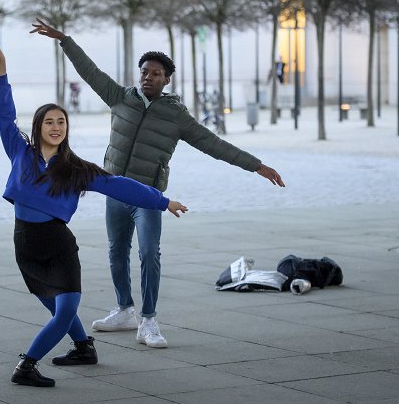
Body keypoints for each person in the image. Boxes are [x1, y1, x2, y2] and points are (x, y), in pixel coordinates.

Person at [31, 19, 285, 348]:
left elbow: (213, 144)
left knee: (149, 253)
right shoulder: (120, 97)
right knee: (116, 253)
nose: (147, 78)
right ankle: (125, 310)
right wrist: (65, 40)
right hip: (114, 190)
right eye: (144, 72)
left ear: (166, 79)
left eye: (155, 74)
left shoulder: (176, 116)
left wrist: (257, 166)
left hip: (148, 196)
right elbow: (89, 71)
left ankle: (148, 320)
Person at [0, 31, 188, 387]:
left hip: (58, 245)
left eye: (61, 122)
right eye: (49, 121)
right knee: (55, 308)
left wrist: (162, 201)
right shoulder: (19, 152)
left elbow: (119, 185)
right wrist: (2, 66)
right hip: (26, 245)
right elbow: (3, 112)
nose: (56, 127)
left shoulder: (77, 169)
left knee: (64, 311)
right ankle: (84, 348)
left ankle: (26, 366)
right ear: (38, 127)